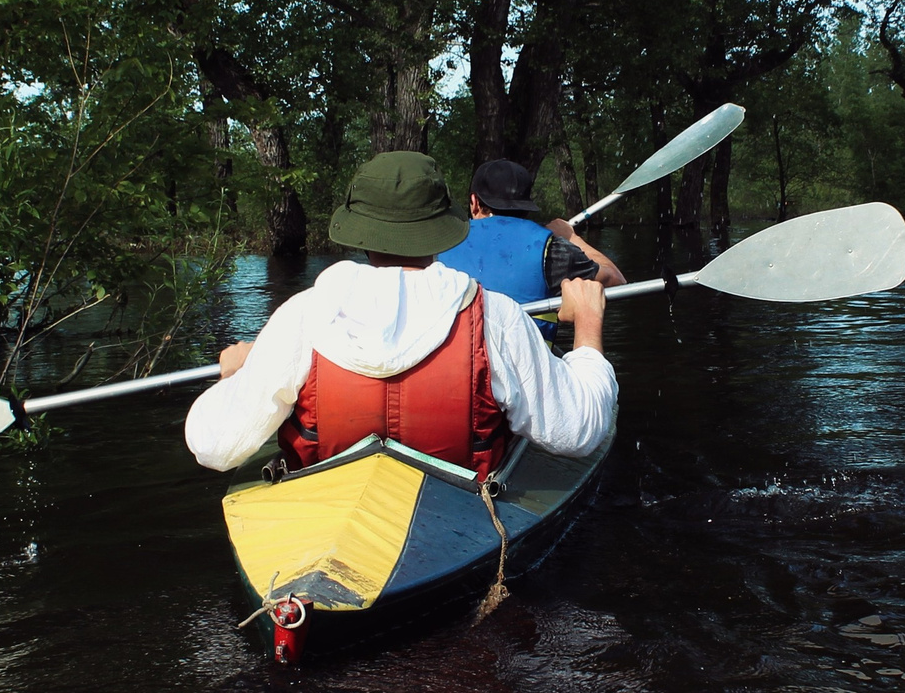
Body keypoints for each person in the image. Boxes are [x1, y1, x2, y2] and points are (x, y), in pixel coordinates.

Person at [184, 151, 617, 477]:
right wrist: (588, 329)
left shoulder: (302, 316)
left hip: (328, 498)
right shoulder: (497, 318)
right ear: (440, 227)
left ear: (359, 231)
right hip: (463, 493)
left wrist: (236, 376)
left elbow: (213, 446)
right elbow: (580, 430)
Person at [436, 158, 629, 311]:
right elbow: (616, 280)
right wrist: (572, 237)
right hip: (526, 361)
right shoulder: (551, 249)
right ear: (526, 205)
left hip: (457, 359)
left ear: (474, 202)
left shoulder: (436, 245)